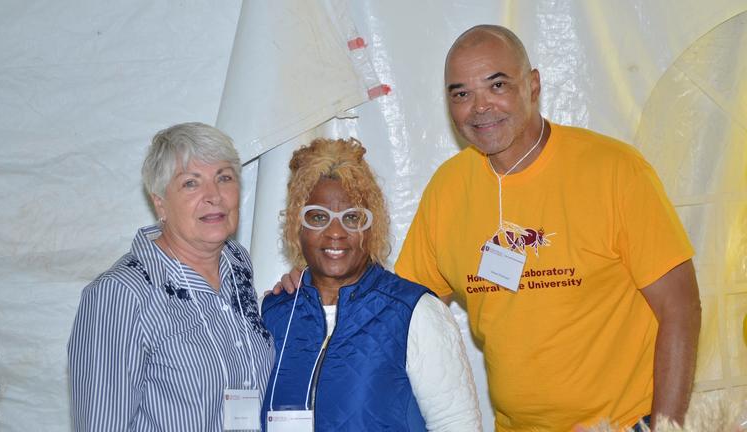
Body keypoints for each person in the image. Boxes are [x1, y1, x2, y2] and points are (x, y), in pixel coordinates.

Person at [277, 26, 701, 432]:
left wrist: (663, 428)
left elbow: (680, 309)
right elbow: (393, 307)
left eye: (497, 86)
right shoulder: (449, 188)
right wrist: (317, 287)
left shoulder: (614, 171)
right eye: (461, 94)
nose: (479, 107)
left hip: (623, 425)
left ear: (533, 85)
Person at [261, 138, 481, 431]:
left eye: (352, 218)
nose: (335, 232)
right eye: (318, 217)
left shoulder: (415, 313)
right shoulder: (273, 314)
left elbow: (456, 424)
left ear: (372, 227)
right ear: (296, 227)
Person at [68, 122, 274, 431]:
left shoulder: (237, 264)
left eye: (224, 178)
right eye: (191, 183)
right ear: (160, 202)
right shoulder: (119, 294)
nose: (213, 195)